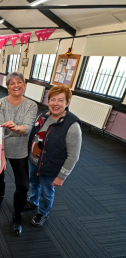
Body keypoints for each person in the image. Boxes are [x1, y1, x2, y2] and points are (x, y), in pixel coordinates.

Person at [0, 71, 37, 237]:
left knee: (23, 185)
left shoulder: (31, 105)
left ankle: (17, 216)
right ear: (7, 86)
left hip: (20, 148)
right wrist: (2, 154)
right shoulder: (0, 103)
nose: (16, 85)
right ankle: (0, 196)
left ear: (24, 85)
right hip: (0, 147)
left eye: (19, 82)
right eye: (12, 83)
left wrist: (17, 128)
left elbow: (28, 126)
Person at [26, 85, 82, 226]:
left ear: (67, 103)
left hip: (51, 167)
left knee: (46, 192)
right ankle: (33, 201)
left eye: (60, 100)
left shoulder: (72, 125)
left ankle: (43, 213)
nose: (55, 103)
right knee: (33, 184)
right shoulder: (43, 115)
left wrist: (61, 176)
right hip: (34, 161)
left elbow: (73, 156)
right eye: (52, 99)